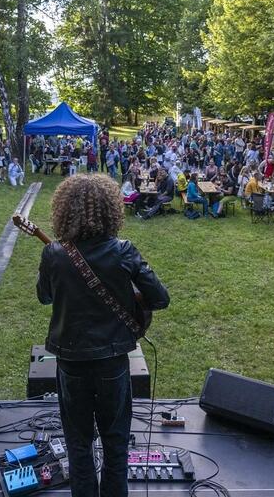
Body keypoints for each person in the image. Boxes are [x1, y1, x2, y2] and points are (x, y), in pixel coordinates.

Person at [36, 174, 170, 497]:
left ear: (64, 211)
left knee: (78, 446)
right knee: (116, 446)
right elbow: (160, 298)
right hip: (112, 363)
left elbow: (44, 296)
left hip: (71, 363)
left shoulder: (54, 254)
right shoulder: (123, 251)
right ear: (111, 210)